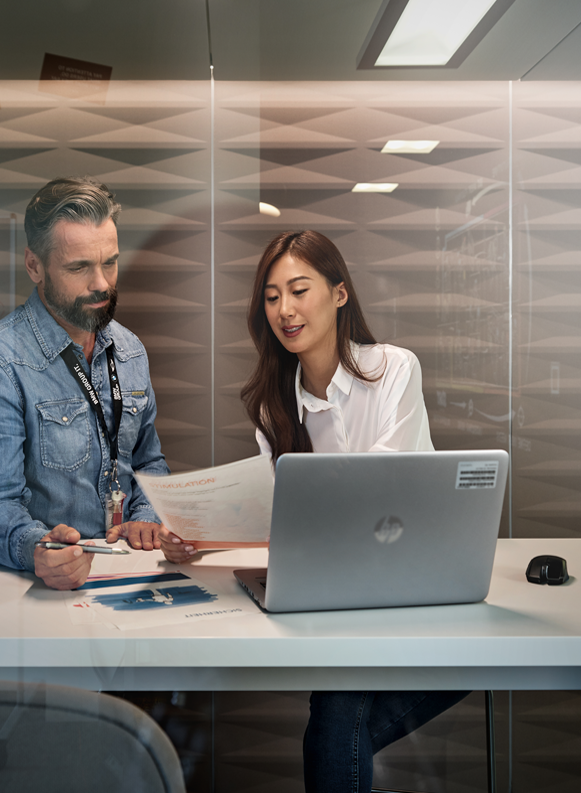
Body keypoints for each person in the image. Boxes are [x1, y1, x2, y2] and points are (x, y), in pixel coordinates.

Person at [161, 230, 466, 793]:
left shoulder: (395, 369)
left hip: (410, 588)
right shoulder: (272, 405)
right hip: (332, 599)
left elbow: (383, 498)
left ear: (340, 293)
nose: (286, 309)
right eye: (272, 297)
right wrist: (203, 537)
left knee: (334, 718)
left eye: (299, 290)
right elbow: (279, 522)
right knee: (336, 720)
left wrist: (300, 518)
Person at [0, 176, 169, 590]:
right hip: (41, 584)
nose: (101, 283)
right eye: (79, 267)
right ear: (35, 266)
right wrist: (38, 549)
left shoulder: (130, 350)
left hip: (130, 573)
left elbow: (148, 463)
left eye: (110, 262)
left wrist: (145, 518)